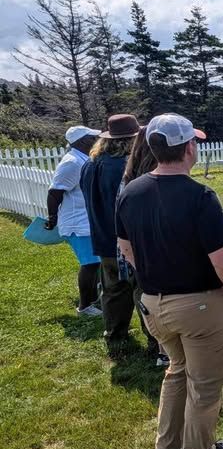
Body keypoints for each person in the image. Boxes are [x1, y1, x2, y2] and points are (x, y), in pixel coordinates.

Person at [116, 113, 223, 449]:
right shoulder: (199, 196)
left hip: (155, 304)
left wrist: (153, 271)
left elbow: (125, 248)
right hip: (199, 304)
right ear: (188, 149)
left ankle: (166, 448)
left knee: (177, 370)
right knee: (205, 386)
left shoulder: (130, 192)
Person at [80, 114, 139, 351]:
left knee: (112, 289)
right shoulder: (125, 167)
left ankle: (115, 335)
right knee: (141, 288)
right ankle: (156, 340)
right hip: (127, 239)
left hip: (102, 235)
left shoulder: (90, 164)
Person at [45, 126, 102, 316]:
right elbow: (55, 192)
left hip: (87, 221)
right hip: (78, 223)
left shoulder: (84, 158)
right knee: (90, 264)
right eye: (93, 137)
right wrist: (52, 217)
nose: (97, 140)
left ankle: (94, 299)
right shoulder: (72, 162)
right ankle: (84, 306)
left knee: (96, 263)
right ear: (82, 141)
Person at [121, 129, 165, 365]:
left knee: (143, 291)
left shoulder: (129, 177)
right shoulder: (151, 179)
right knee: (155, 295)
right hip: (153, 246)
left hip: (135, 245)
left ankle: (155, 340)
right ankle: (160, 344)